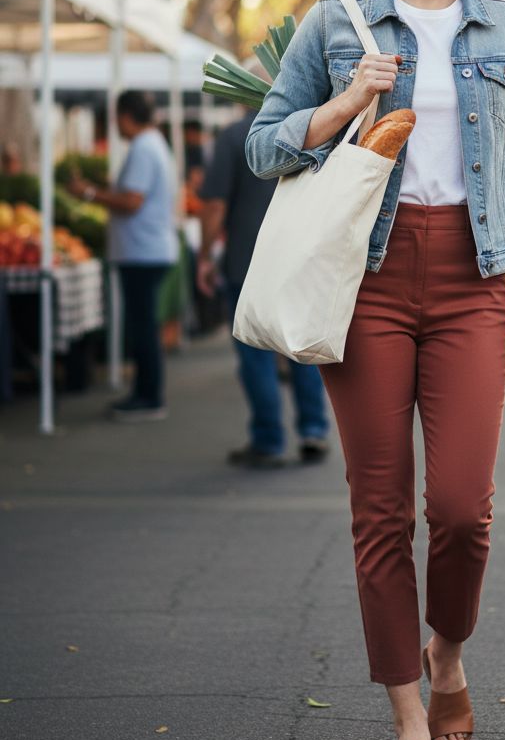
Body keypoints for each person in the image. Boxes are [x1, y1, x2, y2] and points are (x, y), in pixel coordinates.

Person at [246, 0, 505, 740]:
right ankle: (405, 720)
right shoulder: (335, 26)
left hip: (474, 281)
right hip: (371, 284)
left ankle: (447, 654)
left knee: (464, 511)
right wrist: (346, 98)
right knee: (380, 511)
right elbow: (266, 147)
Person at [196, 109, 330, 468]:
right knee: (302, 347)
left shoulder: (235, 135)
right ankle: (313, 430)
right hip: (300, 257)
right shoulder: (318, 126)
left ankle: (269, 439)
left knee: (255, 354)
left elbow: (213, 203)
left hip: (247, 258)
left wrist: (205, 255)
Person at [68, 90, 176, 421]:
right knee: (144, 325)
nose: (114, 123)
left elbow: (132, 201)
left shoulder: (144, 147)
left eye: (116, 116)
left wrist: (88, 192)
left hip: (143, 251)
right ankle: (146, 394)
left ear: (127, 116)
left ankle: (148, 397)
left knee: (142, 327)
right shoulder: (152, 144)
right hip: (147, 249)